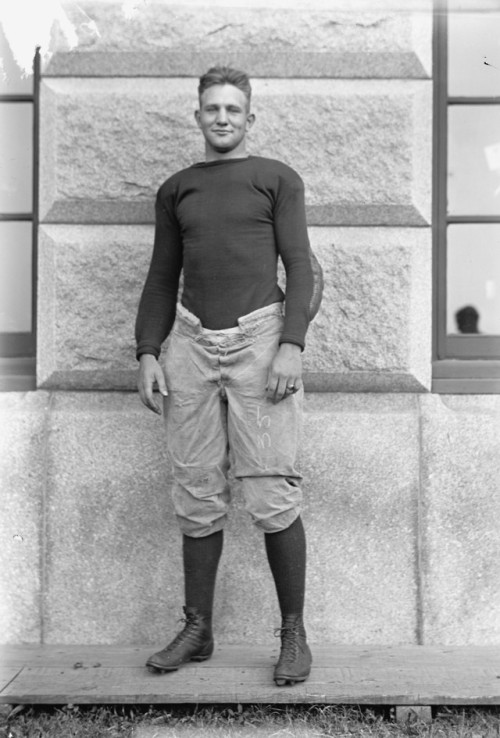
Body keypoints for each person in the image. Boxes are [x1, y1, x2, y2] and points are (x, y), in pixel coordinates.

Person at [135, 66, 323, 686]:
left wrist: (291, 346)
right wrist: (147, 351)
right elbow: (163, 277)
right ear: (198, 116)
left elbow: (301, 266)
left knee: (271, 494)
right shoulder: (176, 189)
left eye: (233, 108)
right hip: (189, 344)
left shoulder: (276, 180)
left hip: (260, 341)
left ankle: (293, 634)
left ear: (250, 117)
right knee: (196, 493)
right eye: (211, 108)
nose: (222, 117)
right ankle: (198, 628)